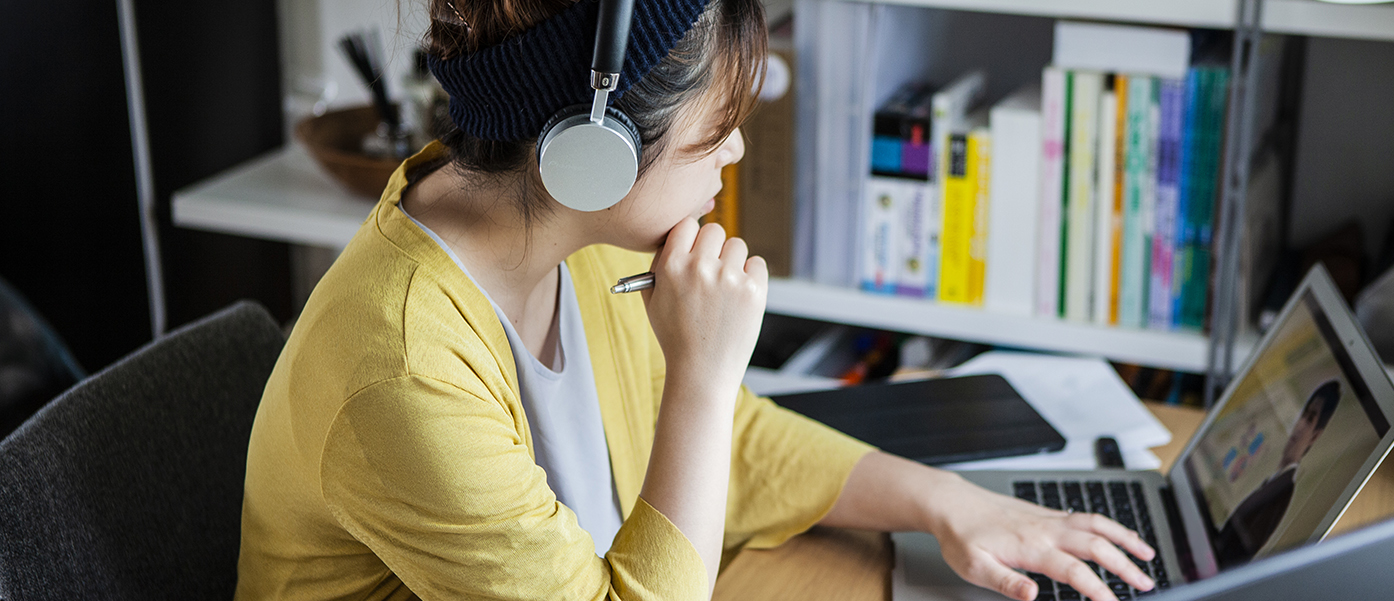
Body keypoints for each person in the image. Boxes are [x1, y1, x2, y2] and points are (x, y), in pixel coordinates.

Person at [235, 1, 1156, 600]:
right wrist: (703, 380)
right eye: (715, 133)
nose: (735, 158)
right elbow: (702, 424)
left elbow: (733, 447)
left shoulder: (563, 231)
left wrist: (947, 501)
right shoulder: (403, 370)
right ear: (590, 153)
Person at [1215, 380, 1343, 566]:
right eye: (1303, 414)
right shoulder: (1276, 481)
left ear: (1315, 436)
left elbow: (1237, 555)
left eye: (1309, 419)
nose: (1298, 425)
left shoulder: (1283, 490)